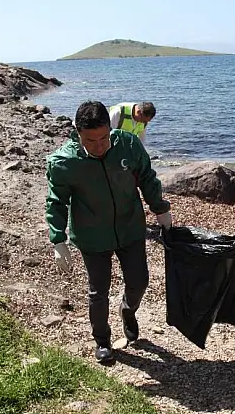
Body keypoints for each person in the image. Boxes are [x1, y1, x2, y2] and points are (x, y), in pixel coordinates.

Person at [45, 100, 172, 363]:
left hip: (130, 227)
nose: (99, 146)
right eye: (90, 141)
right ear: (78, 132)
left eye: (104, 138)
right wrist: (58, 239)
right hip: (92, 235)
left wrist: (160, 209)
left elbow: (147, 177)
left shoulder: (127, 144)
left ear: (110, 130)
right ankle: (102, 340)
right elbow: (56, 201)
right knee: (98, 290)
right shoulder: (63, 162)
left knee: (139, 281)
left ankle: (128, 309)